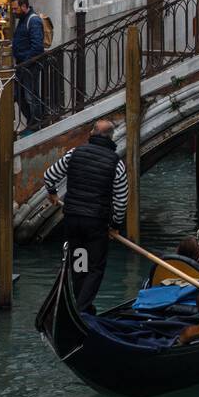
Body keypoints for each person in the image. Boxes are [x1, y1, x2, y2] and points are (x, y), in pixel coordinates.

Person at [44, 119, 129, 313]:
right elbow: (121, 200)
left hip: (73, 220)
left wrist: (52, 193)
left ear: (92, 133)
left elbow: (49, 175)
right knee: (95, 268)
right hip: (95, 224)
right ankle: (82, 309)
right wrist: (115, 224)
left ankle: (80, 305)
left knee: (79, 263)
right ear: (111, 137)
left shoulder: (74, 153)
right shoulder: (116, 163)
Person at [11, 0, 46, 129]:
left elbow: (37, 47)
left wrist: (24, 61)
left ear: (24, 6)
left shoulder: (33, 20)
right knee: (19, 95)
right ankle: (32, 122)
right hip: (22, 65)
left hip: (29, 66)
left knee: (30, 96)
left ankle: (36, 124)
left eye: (15, 9)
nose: (14, 12)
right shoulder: (23, 19)